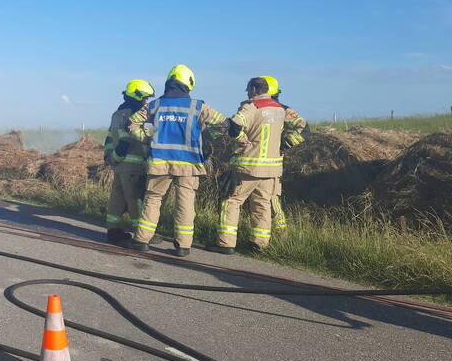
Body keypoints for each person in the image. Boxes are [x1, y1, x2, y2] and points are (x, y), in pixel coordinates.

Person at [126, 65, 226, 256]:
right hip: (189, 164)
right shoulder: (198, 106)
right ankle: (183, 245)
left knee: (153, 200)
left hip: (159, 162)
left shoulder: (154, 105)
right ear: (189, 84)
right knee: (185, 203)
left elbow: (130, 124)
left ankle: (141, 240)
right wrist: (206, 140)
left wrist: (147, 137)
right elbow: (225, 124)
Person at [209, 76, 303, 254]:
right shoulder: (281, 110)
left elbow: (235, 125)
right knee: (262, 204)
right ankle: (259, 244)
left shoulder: (252, 106)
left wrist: (241, 139)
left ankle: (226, 243)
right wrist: (286, 143)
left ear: (253, 89)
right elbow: (303, 127)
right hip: (272, 169)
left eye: (248, 90)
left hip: (249, 166)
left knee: (231, 201)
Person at [103, 79, 155, 245]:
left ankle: (113, 230)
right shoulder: (137, 116)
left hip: (118, 164)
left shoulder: (117, 114)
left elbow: (110, 138)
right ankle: (142, 235)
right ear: (137, 96)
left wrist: (110, 157)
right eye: (145, 98)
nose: (147, 102)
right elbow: (142, 139)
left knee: (117, 197)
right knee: (135, 199)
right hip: (134, 165)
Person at [263, 74, 307, 236]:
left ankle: (281, 232)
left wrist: (284, 144)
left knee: (272, 196)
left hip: (272, 162)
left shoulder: (283, 110)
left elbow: (304, 127)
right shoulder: (256, 108)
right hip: (256, 160)